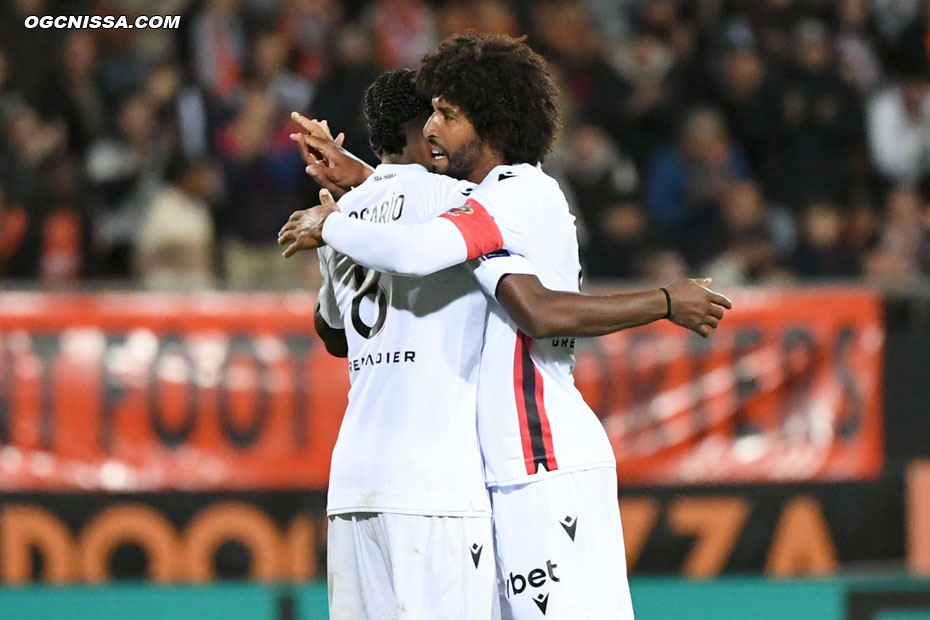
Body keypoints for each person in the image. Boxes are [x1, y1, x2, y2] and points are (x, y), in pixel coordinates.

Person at [281, 33, 731, 619]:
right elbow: (416, 201)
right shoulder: (475, 199)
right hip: (495, 472)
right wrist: (366, 179)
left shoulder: (522, 195)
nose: (434, 128)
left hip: (545, 459)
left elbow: (534, 306)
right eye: (431, 115)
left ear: (490, 120)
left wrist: (334, 221)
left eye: (447, 114)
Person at [309, 69, 498, 620]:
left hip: (352, 483)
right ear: (429, 129)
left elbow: (332, 332)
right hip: (434, 484)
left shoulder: (338, 218)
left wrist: (359, 186)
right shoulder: (463, 200)